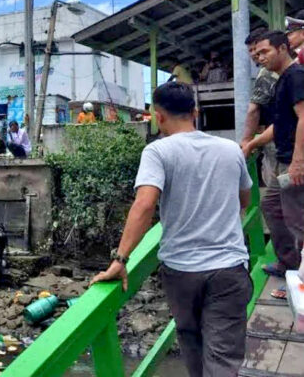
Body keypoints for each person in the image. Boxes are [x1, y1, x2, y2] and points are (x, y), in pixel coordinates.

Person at [91, 81, 252, 377]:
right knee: (223, 358)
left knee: (191, 341)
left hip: (182, 271)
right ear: (195, 112)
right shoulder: (231, 150)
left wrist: (121, 260)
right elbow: (244, 199)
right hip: (229, 268)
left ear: (159, 115)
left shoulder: (158, 152)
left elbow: (144, 205)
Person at [243, 30, 304, 285]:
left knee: (297, 219)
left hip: (294, 160)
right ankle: (290, 262)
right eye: (256, 54)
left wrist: (298, 162)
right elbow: (280, 124)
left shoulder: (296, 76)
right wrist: (252, 143)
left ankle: (299, 270)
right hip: (284, 157)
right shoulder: (280, 80)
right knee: (271, 206)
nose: (259, 58)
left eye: (264, 51)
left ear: (282, 48)